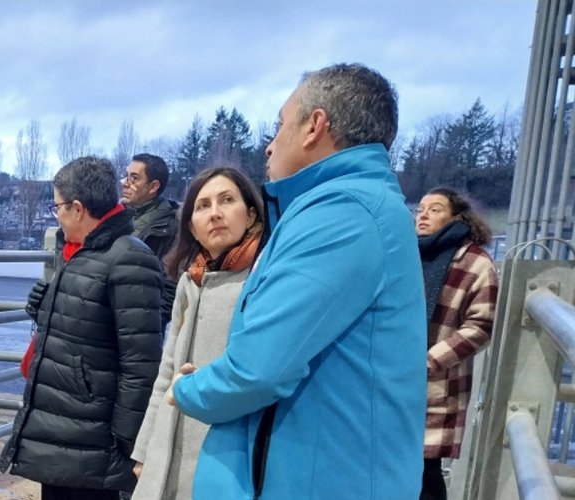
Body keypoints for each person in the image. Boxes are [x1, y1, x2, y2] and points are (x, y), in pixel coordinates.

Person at [168, 63, 427, 498]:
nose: (269, 147)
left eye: (279, 126)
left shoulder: (340, 213)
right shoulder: (349, 206)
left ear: (314, 127)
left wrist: (189, 390)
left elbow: (259, 370)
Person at [0, 156, 164, 500]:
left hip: (93, 437)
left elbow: (141, 361)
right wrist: (45, 307)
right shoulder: (82, 252)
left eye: (56, 206)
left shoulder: (129, 258)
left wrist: (125, 439)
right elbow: (84, 324)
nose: (55, 214)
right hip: (65, 426)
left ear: (77, 208)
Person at [131, 167, 265, 499]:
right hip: (168, 444)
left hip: (227, 454)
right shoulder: (190, 282)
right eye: (203, 206)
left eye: (227, 200)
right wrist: (145, 447)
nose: (215, 213)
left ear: (250, 215)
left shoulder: (263, 279)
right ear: (192, 225)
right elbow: (167, 371)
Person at [414, 187, 499, 500]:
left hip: (436, 382)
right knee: (389, 463)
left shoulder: (475, 262)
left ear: (456, 217)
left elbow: (481, 325)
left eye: (434, 209)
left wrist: (429, 361)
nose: (422, 215)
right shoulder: (407, 253)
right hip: (391, 377)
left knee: (425, 468)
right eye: (420, 209)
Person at [121, 153, 181, 325]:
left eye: (134, 179)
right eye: (126, 176)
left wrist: (152, 323)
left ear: (153, 186)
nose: (125, 183)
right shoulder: (116, 215)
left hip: (140, 323)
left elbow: (171, 284)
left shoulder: (171, 226)